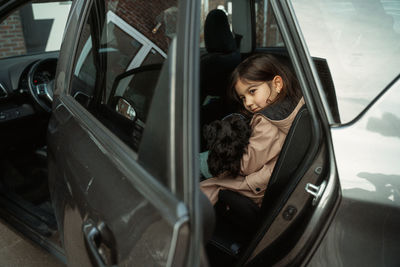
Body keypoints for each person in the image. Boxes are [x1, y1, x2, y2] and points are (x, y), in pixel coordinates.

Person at [200, 54, 304, 206]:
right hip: (264, 178)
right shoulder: (290, 104)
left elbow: (245, 165)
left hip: (254, 186)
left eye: (252, 91)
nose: (248, 103)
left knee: (199, 177)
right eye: (243, 98)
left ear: (277, 84)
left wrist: (221, 150)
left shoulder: (269, 122)